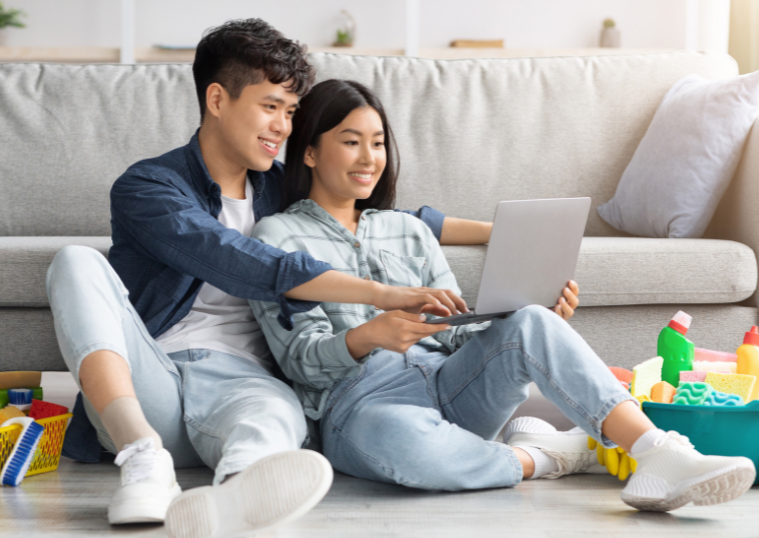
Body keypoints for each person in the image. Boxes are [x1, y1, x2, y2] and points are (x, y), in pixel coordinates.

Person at [46, 20, 490, 538]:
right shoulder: (149, 186)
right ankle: (142, 460)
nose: (283, 126)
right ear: (217, 98)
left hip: (247, 383)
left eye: (291, 111)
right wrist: (380, 294)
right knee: (74, 261)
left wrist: (500, 232)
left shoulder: (281, 187)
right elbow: (235, 259)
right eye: (270, 106)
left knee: (276, 415)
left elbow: (381, 214)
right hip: (153, 381)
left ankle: (234, 498)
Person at [248, 78, 755, 510]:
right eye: (351, 141)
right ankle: (553, 455)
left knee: (532, 320)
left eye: (378, 143)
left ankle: (657, 452)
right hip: (360, 402)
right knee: (405, 448)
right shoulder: (276, 238)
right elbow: (299, 361)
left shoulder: (408, 231)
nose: (369, 158)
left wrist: (520, 317)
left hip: (449, 382)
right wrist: (368, 335)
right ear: (310, 151)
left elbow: (455, 337)